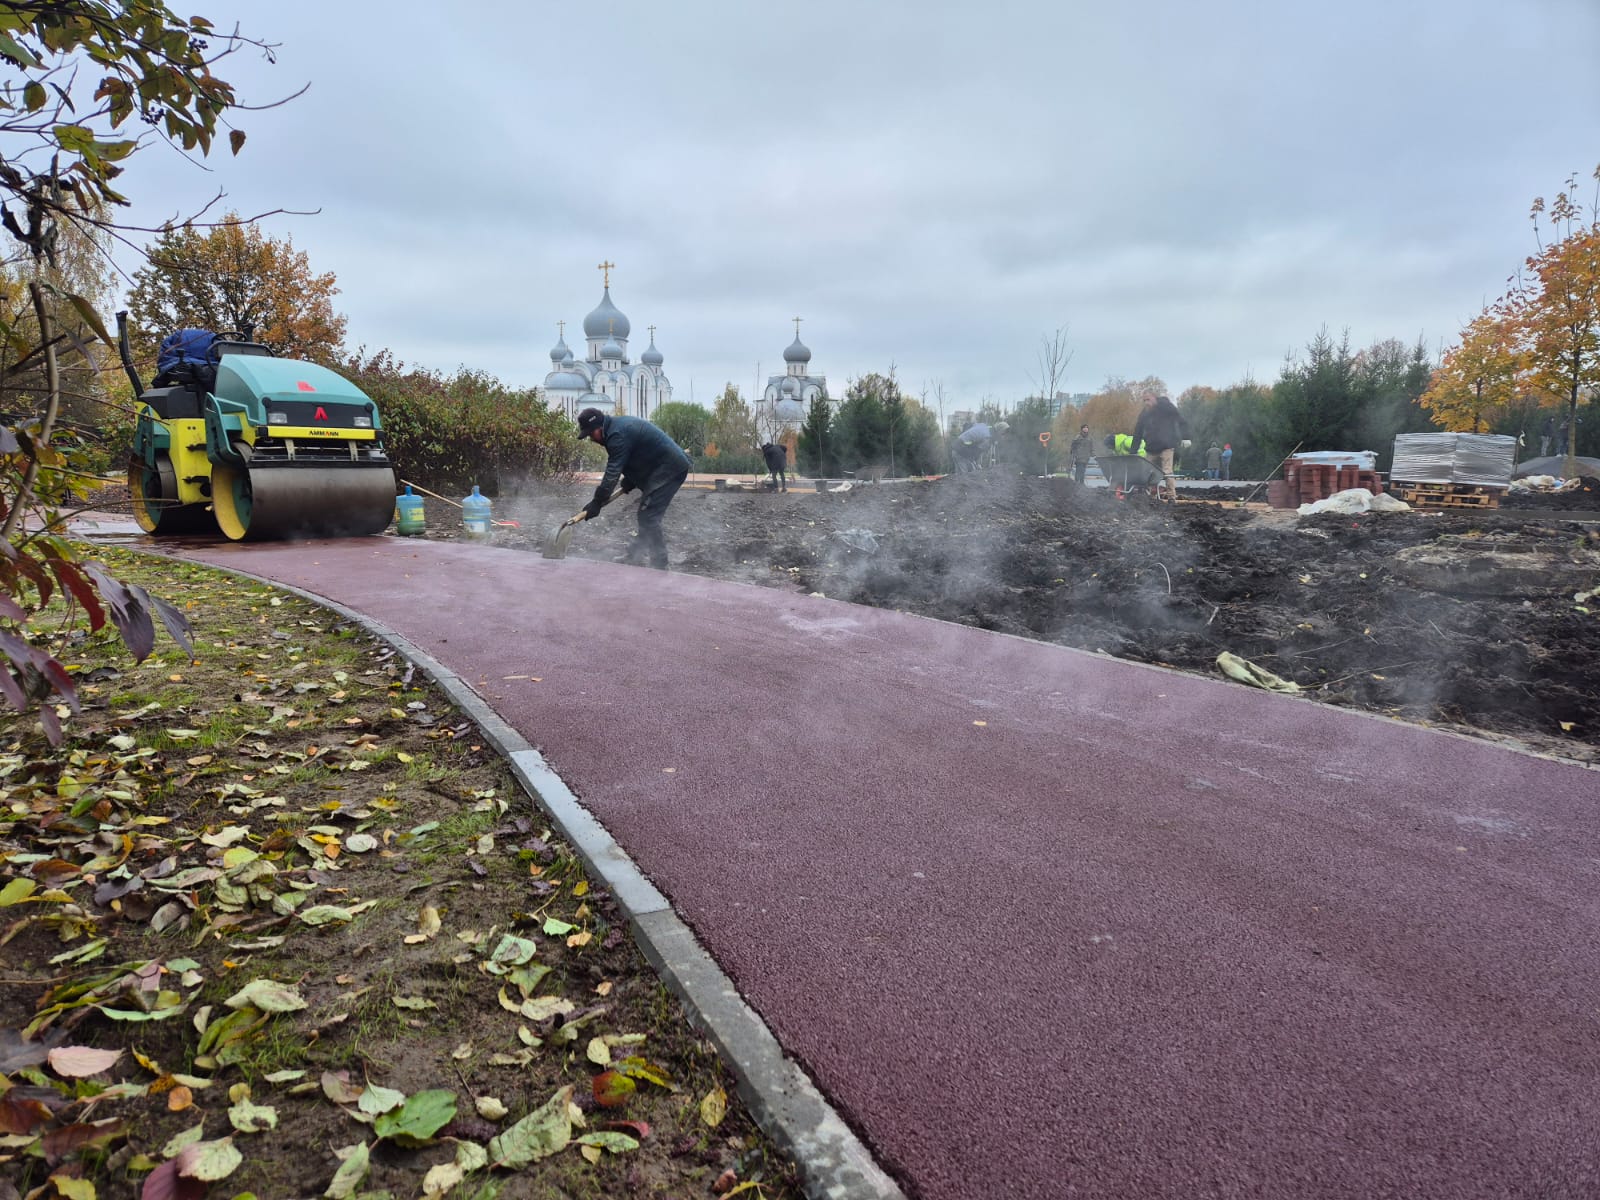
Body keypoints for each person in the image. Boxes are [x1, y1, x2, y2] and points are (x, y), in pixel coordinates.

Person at [577, 406, 692, 569]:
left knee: (649, 516)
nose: (592, 439)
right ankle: (635, 555)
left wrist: (597, 501)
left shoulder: (616, 435)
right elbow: (638, 455)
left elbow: (612, 472)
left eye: (591, 434)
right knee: (646, 516)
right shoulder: (615, 428)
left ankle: (660, 564)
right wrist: (630, 479)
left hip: (670, 469)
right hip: (661, 467)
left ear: (599, 427)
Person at [1128, 394, 1189, 503]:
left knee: (1167, 472)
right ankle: (1152, 496)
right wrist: (1133, 451)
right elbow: (1138, 432)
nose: (1146, 402)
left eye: (1148, 399)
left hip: (1166, 446)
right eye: (1144, 400)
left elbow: (1180, 420)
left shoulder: (1166, 407)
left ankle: (1171, 497)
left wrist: (1186, 437)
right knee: (1148, 473)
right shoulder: (1144, 414)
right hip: (1151, 448)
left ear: (1154, 398)